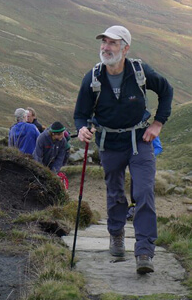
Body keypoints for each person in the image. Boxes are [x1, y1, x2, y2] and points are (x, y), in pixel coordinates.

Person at [74, 25, 173, 275]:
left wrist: (158, 124)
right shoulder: (93, 77)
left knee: (144, 191)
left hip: (140, 141)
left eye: (113, 43)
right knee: (115, 191)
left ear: (125, 48)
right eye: (104, 42)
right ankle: (116, 234)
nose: (106, 47)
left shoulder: (140, 71)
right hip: (110, 144)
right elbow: (81, 115)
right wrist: (82, 129)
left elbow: (166, 90)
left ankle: (144, 251)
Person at [127, 136, 163, 220]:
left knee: (146, 188)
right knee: (134, 185)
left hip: (145, 165)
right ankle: (133, 208)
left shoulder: (151, 131)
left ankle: (144, 213)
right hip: (134, 163)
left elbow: (158, 147)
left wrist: (148, 155)